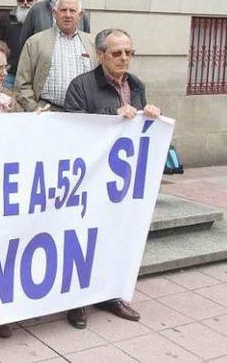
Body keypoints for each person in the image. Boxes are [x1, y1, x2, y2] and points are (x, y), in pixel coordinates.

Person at [61, 29, 159, 330]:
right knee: (80, 241)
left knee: (114, 238)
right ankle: (74, 302)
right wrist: (113, 115)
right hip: (87, 182)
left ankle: (110, 295)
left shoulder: (137, 85)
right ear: (101, 55)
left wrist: (149, 115)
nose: (124, 58)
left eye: (129, 52)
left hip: (120, 184)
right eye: (117, 53)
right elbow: (73, 130)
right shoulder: (81, 86)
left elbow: (139, 129)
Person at [15, 0, 97, 112]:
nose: (67, 15)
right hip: (46, 113)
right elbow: (22, 84)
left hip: (83, 115)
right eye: (63, 10)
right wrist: (34, 108)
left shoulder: (93, 44)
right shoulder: (35, 42)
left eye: (72, 11)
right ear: (54, 13)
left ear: (80, 16)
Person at [0, 0, 37, 89]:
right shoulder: (5, 19)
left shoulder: (41, 20)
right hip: (9, 75)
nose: (25, 3)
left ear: (36, 0)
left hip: (34, 76)